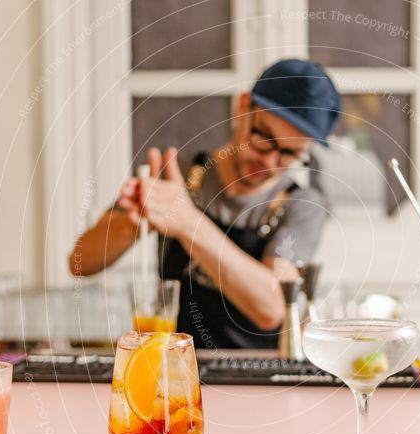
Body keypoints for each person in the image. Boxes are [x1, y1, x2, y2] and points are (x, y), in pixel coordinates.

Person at [70, 59, 341, 349]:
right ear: (243, 106)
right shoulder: (182, 173)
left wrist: (187, 223)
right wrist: (130, 224)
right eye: (264, 137)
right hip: (171, 366)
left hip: (258, 379)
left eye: (289, 152)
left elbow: (271, 308)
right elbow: (80, 262)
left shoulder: (302, 203)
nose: (270, 160)